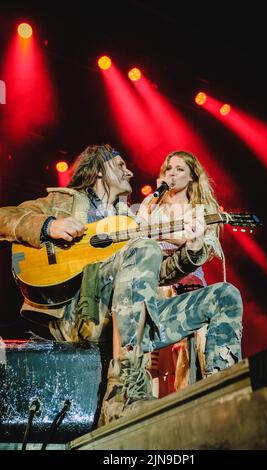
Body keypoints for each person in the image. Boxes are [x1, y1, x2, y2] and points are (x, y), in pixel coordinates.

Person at [0, 144, 243, 426]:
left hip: (133, 318)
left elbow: (157, 273)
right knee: (145, 248)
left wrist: (192, 250)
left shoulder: (129, 220)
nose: (129, 171)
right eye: (120, 165)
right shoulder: (62, 203)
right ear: (99, 170)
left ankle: (224, 391)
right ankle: (124, 392)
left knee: (225, 295)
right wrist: (47, 226)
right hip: (85, 315)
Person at [138, 150, 234, 392]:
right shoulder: (152, 203)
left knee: (184, 355)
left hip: (186, 285)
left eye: (180, 169)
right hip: (153, 283)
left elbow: (202, 243)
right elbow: (137, 232)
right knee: (153, 359)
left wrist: (158, 232)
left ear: (192, 176)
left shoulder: (200, 208)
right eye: (169, 168)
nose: (172, 173)